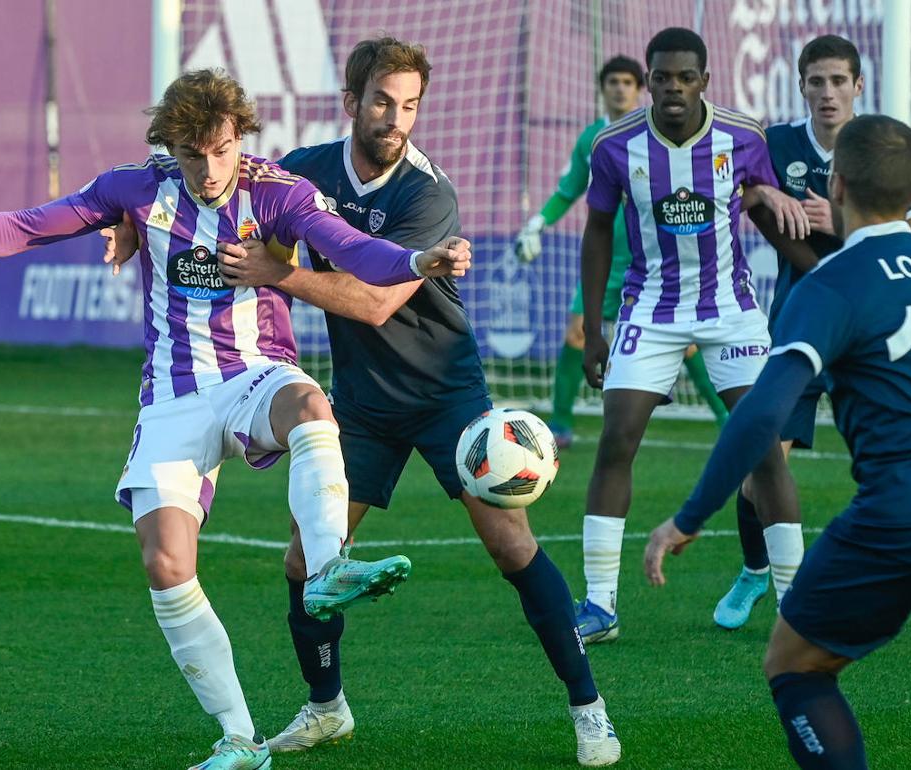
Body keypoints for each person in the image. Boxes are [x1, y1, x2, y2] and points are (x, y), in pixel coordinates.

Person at [0, 68, 470, 770]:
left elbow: (354, 248)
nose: (209, 170)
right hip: (173, 394)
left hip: (253, 373)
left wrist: (416, 259)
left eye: (220, 150)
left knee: (310, 405)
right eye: (191, 153)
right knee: (165, 561)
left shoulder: (276, 191)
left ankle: (329, 565)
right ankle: (240, 739)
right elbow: (29, 227)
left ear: (240, 138)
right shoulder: (137, 188)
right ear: (168, 147)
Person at [192, 37, 620, 766]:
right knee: (305, 563)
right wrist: (129, 217)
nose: (398, 118)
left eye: (411, 105)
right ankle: (327, 709)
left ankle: (590, 710)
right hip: (360, 404)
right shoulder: (306, 172)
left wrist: (277, 274)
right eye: (384, 102)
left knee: (511, 546)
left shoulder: (428, 193)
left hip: (446, 394)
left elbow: (374, 303)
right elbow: (220, 184)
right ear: (352, 103)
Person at [645, 113, 911, 770]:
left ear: (835, 187)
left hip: (900, 512)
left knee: (795, 666)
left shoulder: (832, 282)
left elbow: (759, 416)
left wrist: (688, 518)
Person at [573, 27, 816, 644]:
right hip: (649, 310)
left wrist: (823, 274)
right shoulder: (614, 146)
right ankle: (599, 606)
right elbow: (598, 230)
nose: (673, 88)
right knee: (617, 438)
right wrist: (595, 329)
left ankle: (796, 603)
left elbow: (763, 208)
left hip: (731, 310)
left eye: (686, 77)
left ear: (705, 79)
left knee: (764, 446)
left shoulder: (743, 135)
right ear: (648, 80)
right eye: (662, 77)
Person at [715, 34, 911, 631]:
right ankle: (756, 569)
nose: (828, 93)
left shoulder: (881, 146)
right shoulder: (778, 144)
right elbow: (744, 193)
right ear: (802, 85)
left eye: (839, 81)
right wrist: (764, 192)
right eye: (817, 81)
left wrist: (835, 221)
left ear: (859, 85)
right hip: (805, 321)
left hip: (878, 333)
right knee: (763, 466)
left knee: (900, 458)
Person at [516, 55, 727, 447]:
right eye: (612, 81)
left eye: (627, 82)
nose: (619, 88)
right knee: (578, 333)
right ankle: (560, 424)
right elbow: (569, 190)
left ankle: (727, 420)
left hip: (652, 258)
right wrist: (538, 223)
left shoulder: (657, 133)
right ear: (603, 88)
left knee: (686, 342)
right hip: (606, 261)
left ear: (639, 88)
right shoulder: (592, 138)